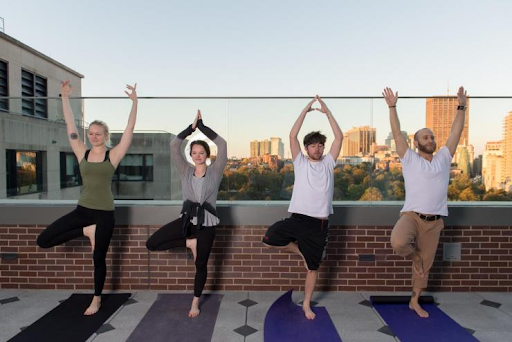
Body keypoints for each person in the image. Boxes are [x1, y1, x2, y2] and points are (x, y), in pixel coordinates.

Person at [37, 80, 138, 315]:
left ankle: (96, 298)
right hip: (82, 211)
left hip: (104, 214)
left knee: (98, 258)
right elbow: (70, 124)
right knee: (44, 241)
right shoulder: (81, 152)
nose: (94, 136)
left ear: (105, 136)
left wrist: (134, 103)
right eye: (91, 133)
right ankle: (85, 231)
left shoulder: (113, 156)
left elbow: (129, 130)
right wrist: (64, 98)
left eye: (98, 134)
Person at [382, 86, 468, 318]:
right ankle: (414, 255)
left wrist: (461, 106)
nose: (430, 139)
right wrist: (392, 106)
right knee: (399, 242)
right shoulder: (409, 158)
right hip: (411, 216)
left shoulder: (442, 158)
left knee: (424, 268)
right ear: (416, 142)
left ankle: (415, 300)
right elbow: (397, 132)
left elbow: (455, 132)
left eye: (431, 137)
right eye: (425, 137)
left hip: (434, 222)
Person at [262, 96, 343, 320]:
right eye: (313, 145)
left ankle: (306, 304)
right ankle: (300, 251)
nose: (317, 148)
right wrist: (306, 109)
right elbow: (292, 135)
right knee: (268, 240)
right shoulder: (300, 162)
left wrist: (327, 112)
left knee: (313, 268)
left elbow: (339, 136)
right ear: (306, 148)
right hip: (298, 219)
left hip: (319, 223)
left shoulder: (328, 162)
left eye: (320, 145)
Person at [146, 110, 227, 318]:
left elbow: (223, 144)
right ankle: (189, 243)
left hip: (207, 224)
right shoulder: (185, 170)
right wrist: (191, 129)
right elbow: (174, 145)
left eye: (201, 152)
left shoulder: (215, 171)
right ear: (190, 155)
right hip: (187, 221)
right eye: (194, 152)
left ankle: (195, 302)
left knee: (201, 265)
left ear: (207, 155)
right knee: (152, 243)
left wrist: (203, 127)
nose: (197, 156)